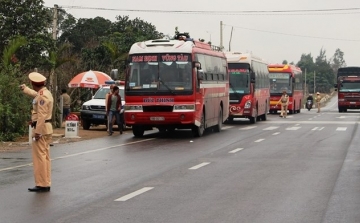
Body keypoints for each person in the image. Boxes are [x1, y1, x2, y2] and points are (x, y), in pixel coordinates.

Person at [20, 72, 53, 192]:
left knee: (40, 158)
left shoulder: (42, 96)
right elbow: (36, 96)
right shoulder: (45, 93)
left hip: (42, 129)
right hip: (46, 128)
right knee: (45, 157)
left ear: (34, 84)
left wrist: (37, 132)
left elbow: (42, 115)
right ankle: (46, 182)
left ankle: (42, 184)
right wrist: (25, 89)